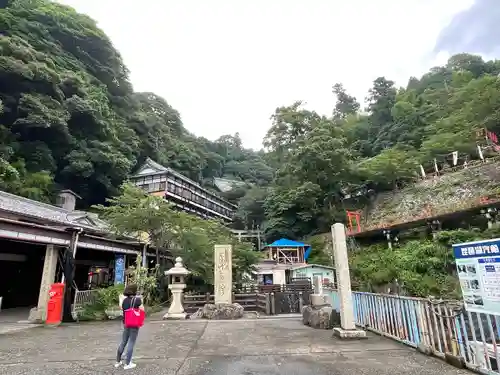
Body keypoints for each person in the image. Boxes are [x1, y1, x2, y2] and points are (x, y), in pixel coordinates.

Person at [115, 283, 142, 370]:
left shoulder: (124, 300)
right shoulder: (137, 300)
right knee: (131, 342)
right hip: (134, 324)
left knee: (123, 341)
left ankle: (118, 362)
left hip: (126, 323)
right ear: (134, 291)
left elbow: (122, 308)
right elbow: (142, 310)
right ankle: (128, 363)